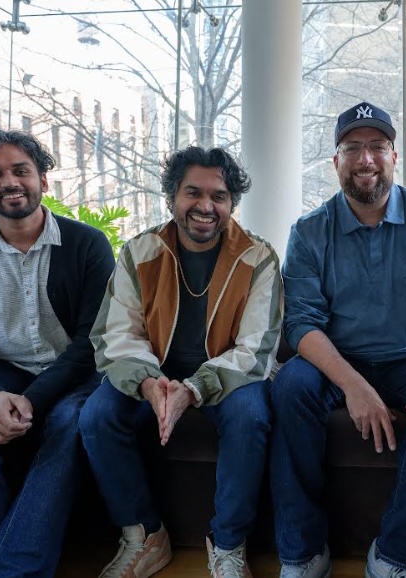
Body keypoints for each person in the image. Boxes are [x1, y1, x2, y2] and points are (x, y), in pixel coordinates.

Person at [270, 102, 406, 578]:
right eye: (352, 148)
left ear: (394, 156)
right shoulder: (309, 232)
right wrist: (354, 387)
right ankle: (303, 551)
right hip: (338, 357)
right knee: (287, 388)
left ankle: (395, 555)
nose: (365, 159)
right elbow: (301, 324)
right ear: (336, 161)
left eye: (376, 147)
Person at [80, 145, 282, 578]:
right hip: (153, 373)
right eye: (193, 193)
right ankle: (145, 536)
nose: (206, 206)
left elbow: (256, 348)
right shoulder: (140, 252)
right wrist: (150, 383)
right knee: (97, 415)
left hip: (227, 377)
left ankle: (228, 546)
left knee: (251, 416)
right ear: (172, 197)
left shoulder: (258, 257)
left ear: (232, 204)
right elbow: (116, 334)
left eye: (219, 196)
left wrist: (193, 389)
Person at [0, 126, 114, 577]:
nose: (9, 182)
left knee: (70, 423)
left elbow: (94, 339)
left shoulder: (88, 245)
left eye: (20, 170)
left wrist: (34, 399)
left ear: (43, 181)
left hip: (72, 371)